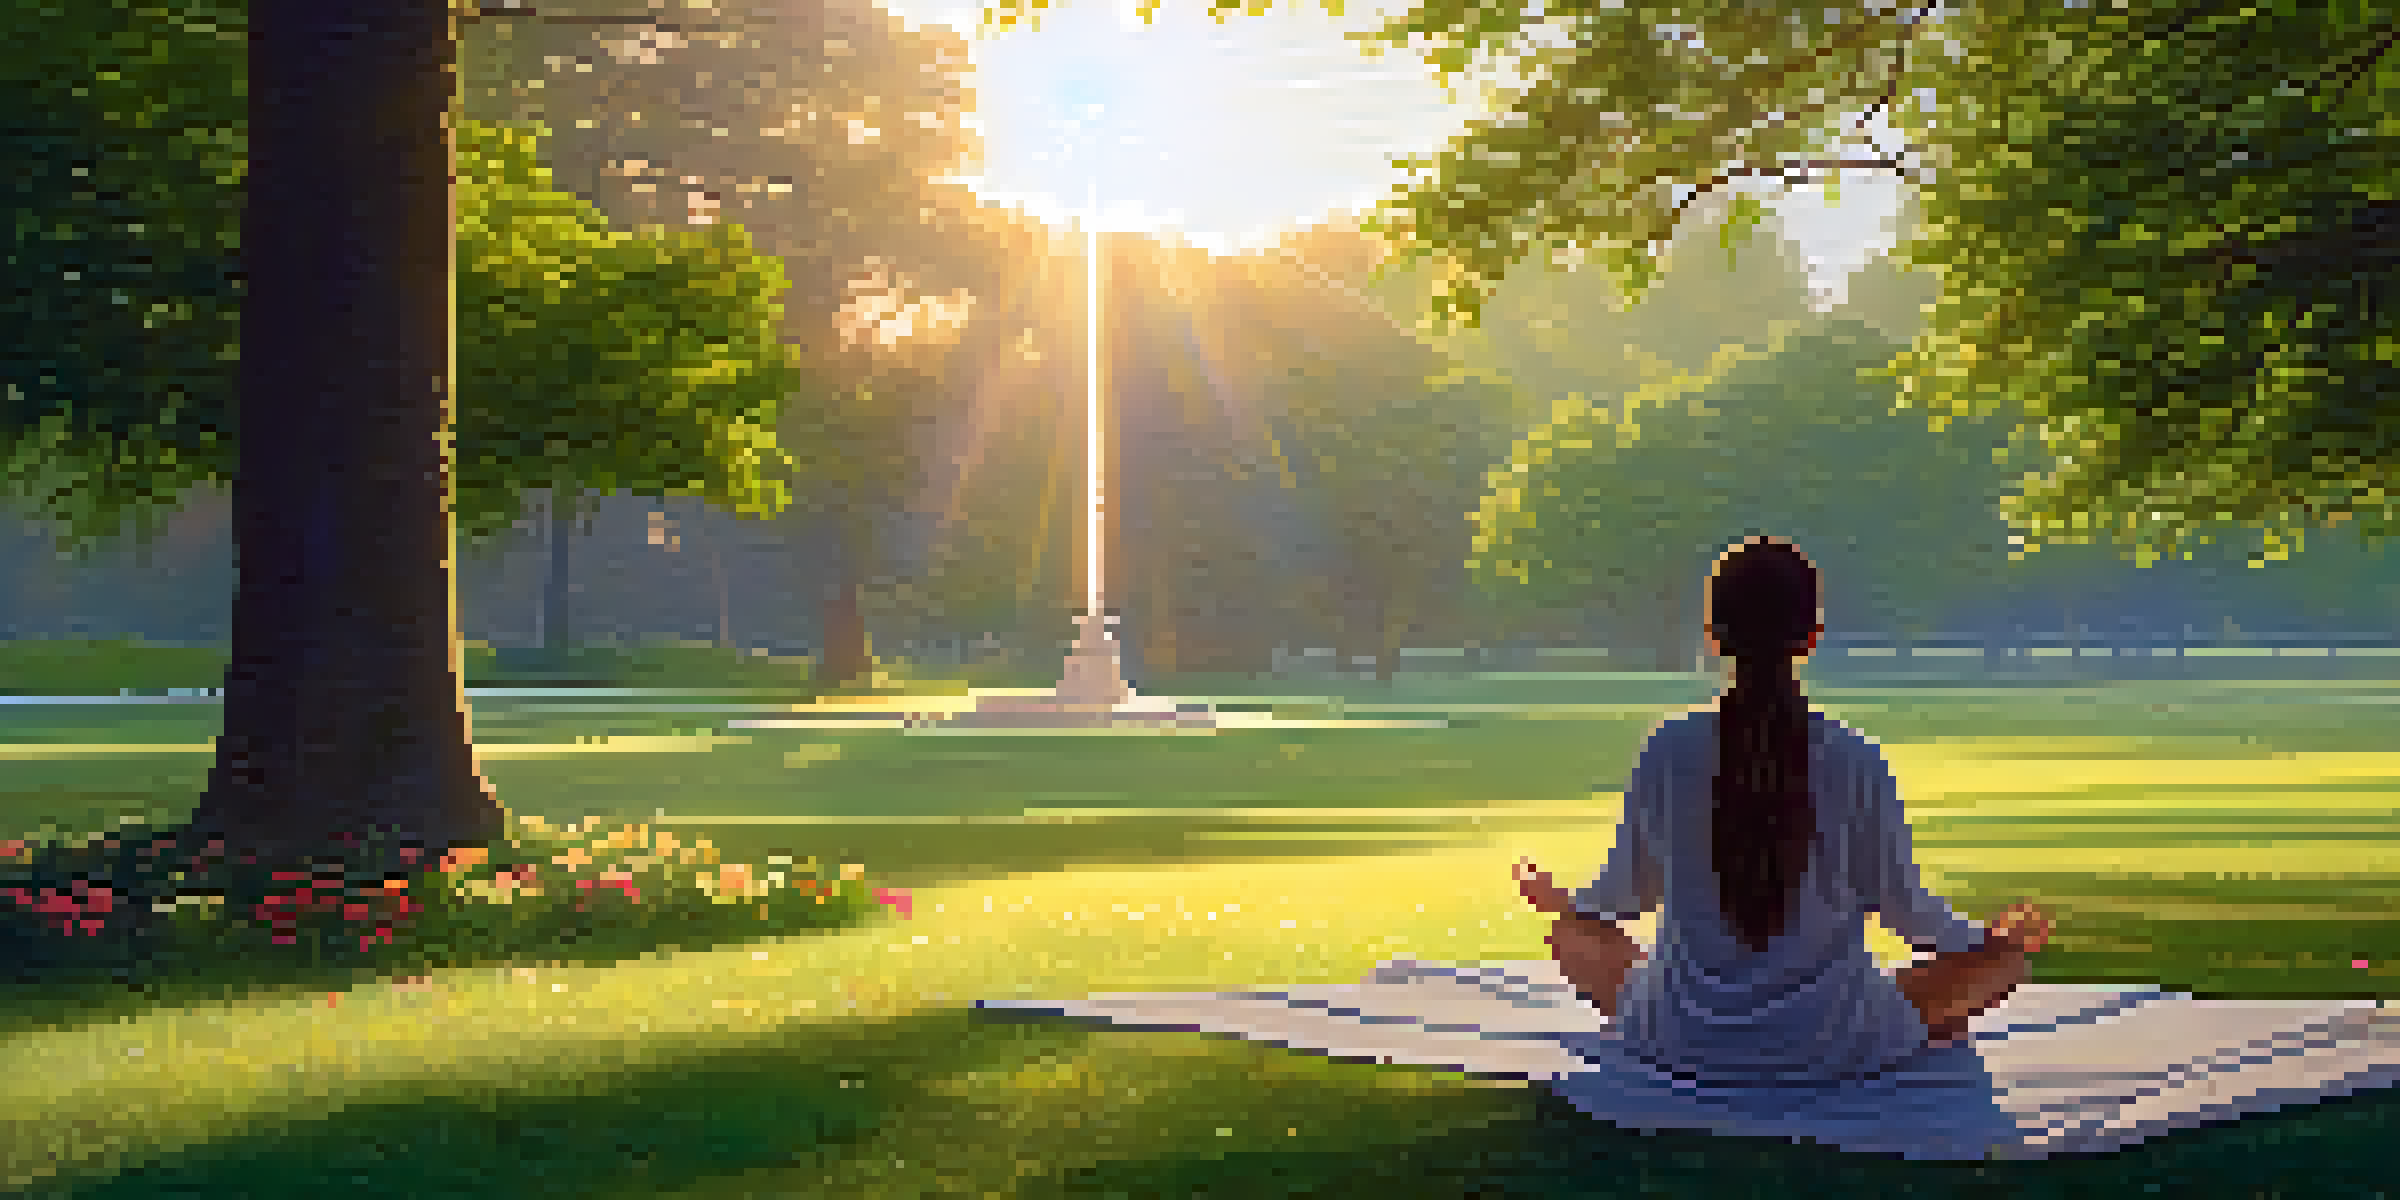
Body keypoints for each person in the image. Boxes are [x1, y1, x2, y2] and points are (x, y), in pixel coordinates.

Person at [1513, 535, 2055, 1086]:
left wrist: (1563, 904)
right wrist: (1991, 944)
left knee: (1571, 937)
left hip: (1680, 1041)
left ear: (1713, 637)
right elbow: (1906, 911)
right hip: (1829, 1043)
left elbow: (1621, 899)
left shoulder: (1668, 749)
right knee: (2007, 966)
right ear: (1811, 638)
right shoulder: (1855, 758)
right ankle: (1905, 1028)